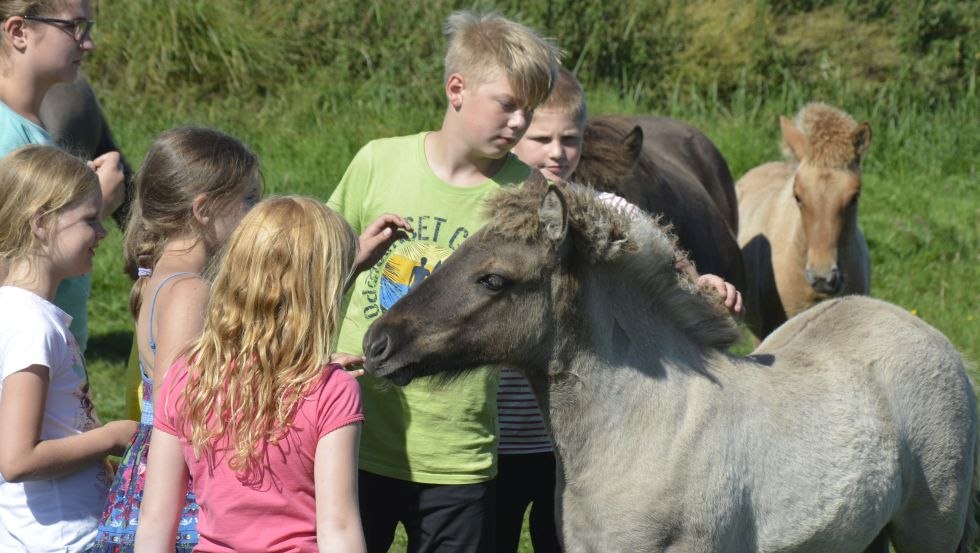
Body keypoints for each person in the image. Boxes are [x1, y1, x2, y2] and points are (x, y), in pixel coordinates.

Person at [327, 10, 561, 553]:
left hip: (459, 452)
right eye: (507, 104)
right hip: (352, 434)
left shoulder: (525, 196)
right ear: (456, 88)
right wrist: (355, 258)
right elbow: (314, 273)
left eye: (529, 110)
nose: (519, 122)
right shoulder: (378, 162)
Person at [502, 67, 743, 552]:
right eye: (542, 138)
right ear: (514, 133)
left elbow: (675, 274)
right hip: (497, 436)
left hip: (585, 438)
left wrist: (708, 287)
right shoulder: (491, 211)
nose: (557, 152)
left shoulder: (616, 213)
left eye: (570, 139)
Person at [134, 196, 369, 552]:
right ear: (321, 294)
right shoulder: (332, 391)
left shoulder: (186, 377)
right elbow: (338, 525)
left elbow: (155, 519)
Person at [91, 126, 263, 552]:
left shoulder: (157, 276)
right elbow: (180, 407)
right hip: (180, 496)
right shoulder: (190, 291)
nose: (256, 215)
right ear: (203, 209)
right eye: (249, 201)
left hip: (150, 483)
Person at [0, 144, 138, 552]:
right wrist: (111, 437)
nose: (103, 232)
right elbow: (17, 459)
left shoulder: (21, 314)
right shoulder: (32, 326)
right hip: (65, 540)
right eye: (89, 220)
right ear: (41, 222)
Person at [0, 0, 125, 353]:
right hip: (23, 368)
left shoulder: (26, 125)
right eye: (73, 26)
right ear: (18, 31)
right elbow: (8, 268)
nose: (87, 43)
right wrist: (95, 205)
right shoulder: (6, 136)